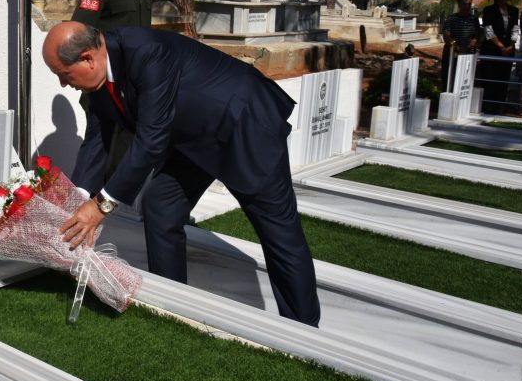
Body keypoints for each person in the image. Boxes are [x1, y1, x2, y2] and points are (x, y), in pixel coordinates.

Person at [42, 21, 321, 327]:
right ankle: (174, 305)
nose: (63, 85)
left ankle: (304, 329)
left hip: (244, 124)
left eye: (63, 75)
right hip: (193, 139)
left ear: (87, 58)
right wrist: (77, 201)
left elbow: (150, 141)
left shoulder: (147, 51)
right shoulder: (97, 81)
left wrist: (101, 205)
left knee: (279, 233)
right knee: (161, 205)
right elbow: (98, 137)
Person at [71, 0, 153, 179]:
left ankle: (111, 205)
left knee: (126, 145)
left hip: (134, 80)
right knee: (98, 145)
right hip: (106, 83)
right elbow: (79, 34)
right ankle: (78, 203)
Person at [478, 0, 520, 113]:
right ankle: (487, 107)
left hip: (508, 51)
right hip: (492, 49)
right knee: (490, 79)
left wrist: (511, 45)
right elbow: (488, 30)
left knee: (503, 79)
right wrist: (501, 46)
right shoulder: (489, 10)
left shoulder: (514, 10)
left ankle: (500, 107)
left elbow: (515, 29)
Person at [440, 0, 481, 89]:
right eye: (464, 4)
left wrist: (475, 41)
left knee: (465, 80)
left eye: (469, 4)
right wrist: (456, 47)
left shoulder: (474, 19)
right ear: (459, 4)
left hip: (468, 54)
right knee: (450, 80)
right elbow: (446, 36)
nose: (466, 6)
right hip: (452, 54)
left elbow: (478, 34)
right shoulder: (451, 18)